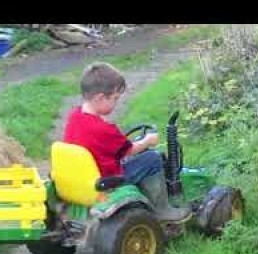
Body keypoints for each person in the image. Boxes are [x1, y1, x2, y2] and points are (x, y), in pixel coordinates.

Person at [62, 62, 191, 222]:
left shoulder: (74, 116)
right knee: (152, 159)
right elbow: (129, 150)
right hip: (109, 180)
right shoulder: (105, 129)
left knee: (139, 157)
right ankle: (162, 209)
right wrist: (147, 141)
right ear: (100, 97)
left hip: (85, 177)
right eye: (115, 99)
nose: (116, 103)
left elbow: (106, 147)